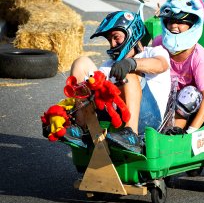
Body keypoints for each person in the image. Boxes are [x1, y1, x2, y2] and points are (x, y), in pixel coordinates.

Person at [68, 10, 171, 152]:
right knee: (81, 63)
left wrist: (131, 63)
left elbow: (161, 65)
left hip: (148, 119)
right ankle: (81, 128)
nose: (112, 44)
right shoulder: (109, 64)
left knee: (127, 74)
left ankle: (132, 135)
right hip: (115, 115)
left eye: (116, 37)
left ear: (131, 33)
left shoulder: (154, 52)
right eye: (109, 40)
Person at [152, 0, 204, 134]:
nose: (174, 26)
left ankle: (175, 133)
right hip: (166, 97)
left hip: (192, 105)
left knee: (189, 94)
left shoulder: (199, 55)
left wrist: (192, 131)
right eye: (170, 21)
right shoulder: (158, 43)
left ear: (192, 24)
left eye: (181, 22)